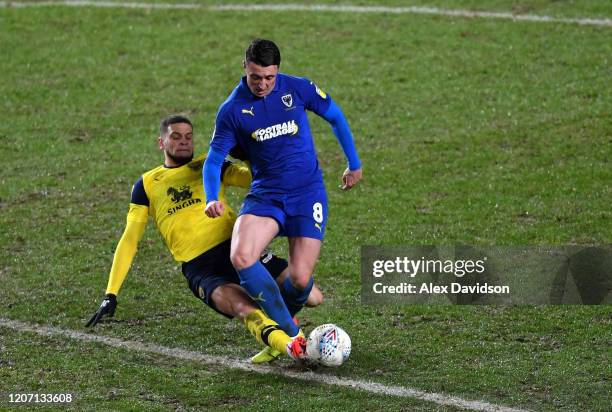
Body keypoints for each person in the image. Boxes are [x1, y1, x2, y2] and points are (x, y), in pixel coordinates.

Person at [86, 114, 322, 363]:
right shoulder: (146, 185)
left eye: (189, 137)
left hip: (240, 248)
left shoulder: (210, 165)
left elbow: (254, 178)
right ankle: (292, 346)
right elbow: (130, 239)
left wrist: (250, 153)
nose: (184, 142)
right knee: (245, 309)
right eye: (176, 137)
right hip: (202, 268)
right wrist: (111, 293)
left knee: (313, 296)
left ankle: (282, 328)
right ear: (161, 142)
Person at [203, 39, 362, 344]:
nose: (262, 85)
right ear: (245, 68)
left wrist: (353, 163)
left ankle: (280, 327)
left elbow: (335, 116)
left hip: (307, 194)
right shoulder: (232, 110)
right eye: (255, 77)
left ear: (277, 71)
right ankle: (290, 335)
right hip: (267, 195)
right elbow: (213, 160)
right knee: (242, 254)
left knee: (301, 281)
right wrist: (212, 197)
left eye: (269, 78)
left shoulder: (297, 89)